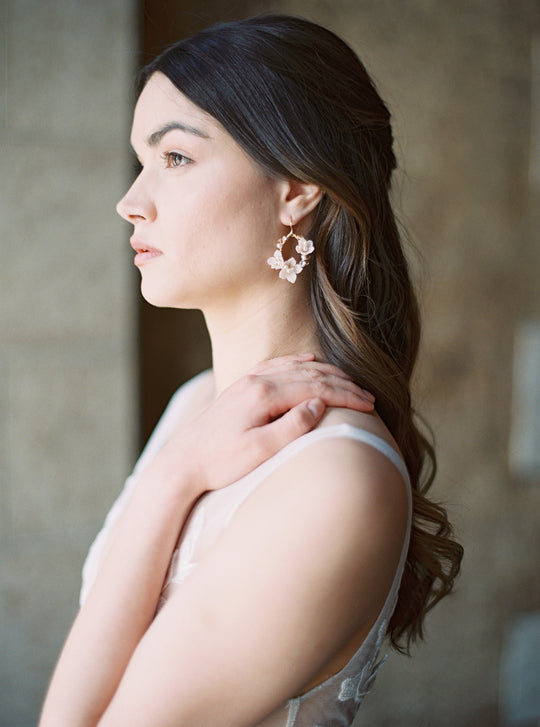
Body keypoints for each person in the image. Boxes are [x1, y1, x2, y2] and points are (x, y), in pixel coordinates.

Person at [39, 14, 463, 727]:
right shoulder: (197, 406)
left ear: (296, 190)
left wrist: (175, 477)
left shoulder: (335, 481)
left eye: (174, 159)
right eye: (141, 160)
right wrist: (182, 463)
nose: (130, 201)